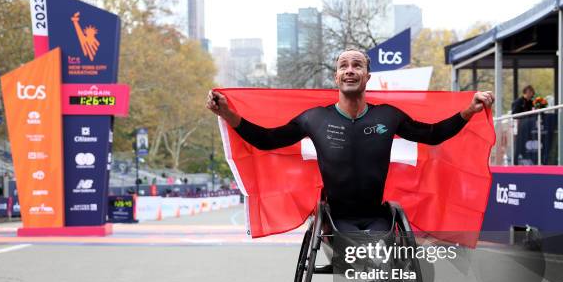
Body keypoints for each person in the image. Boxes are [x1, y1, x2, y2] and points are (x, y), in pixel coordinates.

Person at [206, 49, 493, 232]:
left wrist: (469, 110)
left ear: (368, 76)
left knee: (393, 252)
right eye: (344, 65)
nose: (350, 69)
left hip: (379, 216)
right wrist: (228, 114)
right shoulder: (314, 118)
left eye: (357, 65)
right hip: (334, 218)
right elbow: (267, 140)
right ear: (337, 77)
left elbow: (432, 135)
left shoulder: (388, 116)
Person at [511, 85, 536, 165]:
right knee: (518, 145)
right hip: (519, 127)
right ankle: (515, 162)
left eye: (532, 92)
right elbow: (514, 115)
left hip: (529, 128)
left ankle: (529, 160)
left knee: (528, 144)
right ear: (525, 92)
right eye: (529, 92)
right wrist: (524, 116)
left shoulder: (531, 102)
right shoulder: (518, 102)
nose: (530, 94)